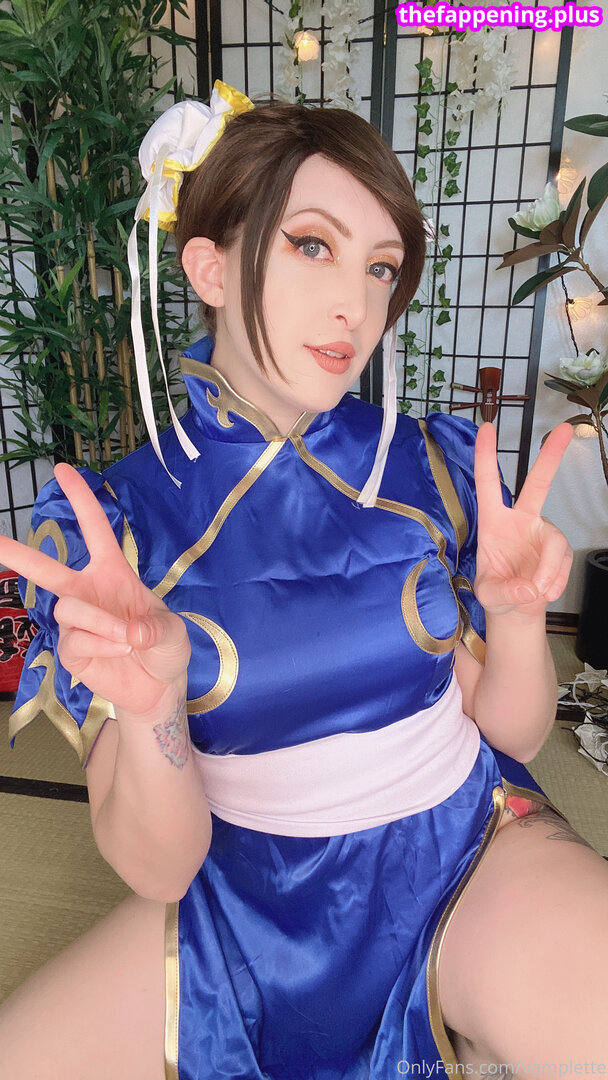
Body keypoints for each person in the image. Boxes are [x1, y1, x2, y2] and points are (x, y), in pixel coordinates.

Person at [0, 80, 606, 1080]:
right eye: (312, 245)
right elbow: (161, 866)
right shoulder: (114, 529)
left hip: (462, 854)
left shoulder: (432, 466)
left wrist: (514, 616)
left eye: (381, 267)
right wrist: (152, 709)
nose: (356, 306)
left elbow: (512, 734)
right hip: (234, 899)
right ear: (209, 264)